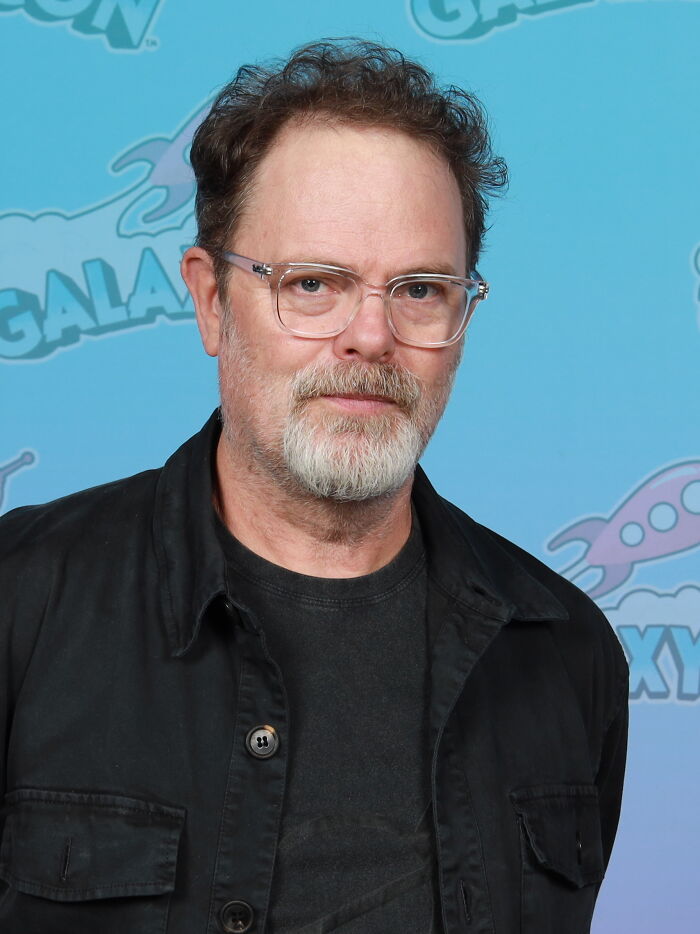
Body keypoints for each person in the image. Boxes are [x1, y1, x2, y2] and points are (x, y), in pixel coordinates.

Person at [0, 39, 628, 934]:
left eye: (418, 289)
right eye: (314, 283)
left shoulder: (567, 656)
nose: (370, 337)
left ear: (464, 314)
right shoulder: (21, 603)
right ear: (212, 301)